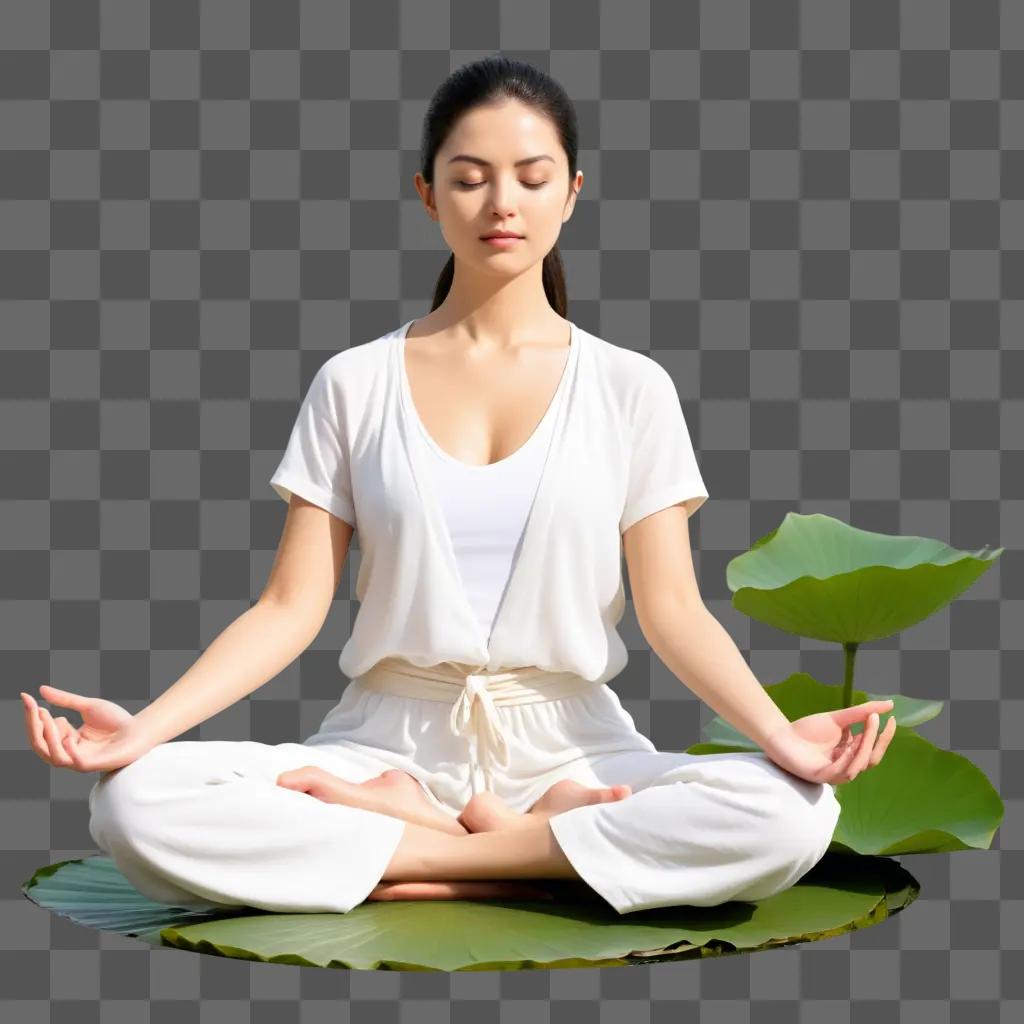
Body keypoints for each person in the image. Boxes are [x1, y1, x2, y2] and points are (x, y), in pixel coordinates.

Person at [22, 56, 895, 917]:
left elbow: (674, 610)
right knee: (137, 802)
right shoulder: (354, 384)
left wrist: (779, 738)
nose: (501, 203)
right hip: (382, 745)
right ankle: (525, 852)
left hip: (575, 751)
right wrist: (144, 730)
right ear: (429, 194)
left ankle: (421, 849)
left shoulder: (633, 388)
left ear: (573, 191)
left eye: (531, 176)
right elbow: (289, 609)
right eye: (470, 178)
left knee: (788, 815)